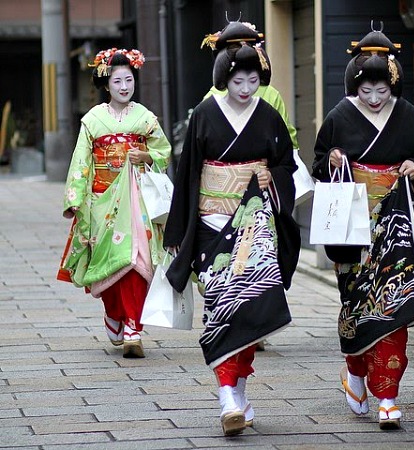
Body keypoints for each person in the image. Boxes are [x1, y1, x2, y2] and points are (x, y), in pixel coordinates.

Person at [163, 21, 300, 436]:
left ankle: (238, 386)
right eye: (238, 79)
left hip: (255, 223)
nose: (245, 87)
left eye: (253, 79)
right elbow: (188, 172)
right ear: (224, 78)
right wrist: (178, 231)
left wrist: (269, 176)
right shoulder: (205, 114)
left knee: (249, 306)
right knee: (221, 307)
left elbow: (286, 165)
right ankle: (227, 394)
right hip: (211, 221)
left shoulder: (269, 114)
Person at [312, 27, 414, 430]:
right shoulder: (338, 116)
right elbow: (318, 163)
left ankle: (387, 393)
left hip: (395, 227)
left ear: (393, 86)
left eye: (381, 91)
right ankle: (354, 369)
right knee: (354, 303)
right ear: (355, 84)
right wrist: (331, 160)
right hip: (353, 226)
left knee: (394, 306)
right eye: (366, 90)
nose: (373, 98)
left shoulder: (407, 115)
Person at [57, 48, 172, 359]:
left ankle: (134, 327)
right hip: (102, 200)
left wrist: (147, 156)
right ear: (106, 86)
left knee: (138, 261)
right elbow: (81, 161)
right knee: (108, 262)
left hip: (137, 201)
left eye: (129, 79)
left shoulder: (145, 118)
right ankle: (114, 313)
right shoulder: (93, 120)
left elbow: (164, 150)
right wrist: (75, 198)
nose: (124, 86)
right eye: (117, 81)